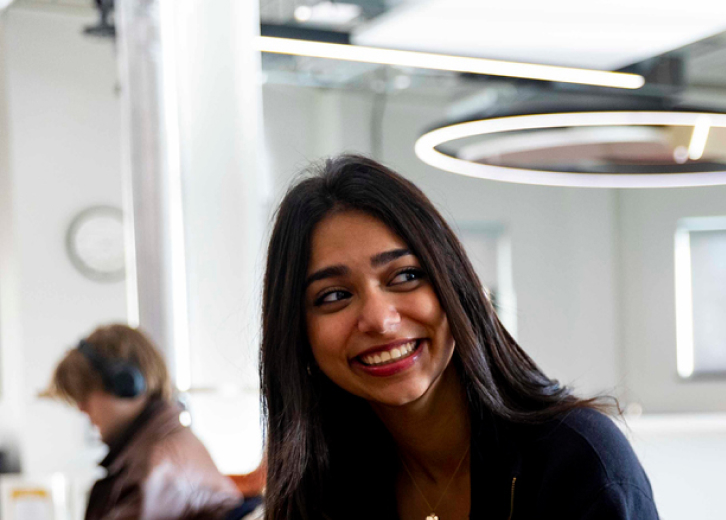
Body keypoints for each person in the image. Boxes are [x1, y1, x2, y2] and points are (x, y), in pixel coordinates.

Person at [258, 155, 658, 519]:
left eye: (405, 276)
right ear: (297, 333)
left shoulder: (577, 461)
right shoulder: (319, 484)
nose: (380, 320)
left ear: (455, 285)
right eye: (334, 296)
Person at [42, 324, 242, 520]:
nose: (82, 408)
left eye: (85, 395)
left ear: (125, 384)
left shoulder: (156, 467)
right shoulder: (155, 450)